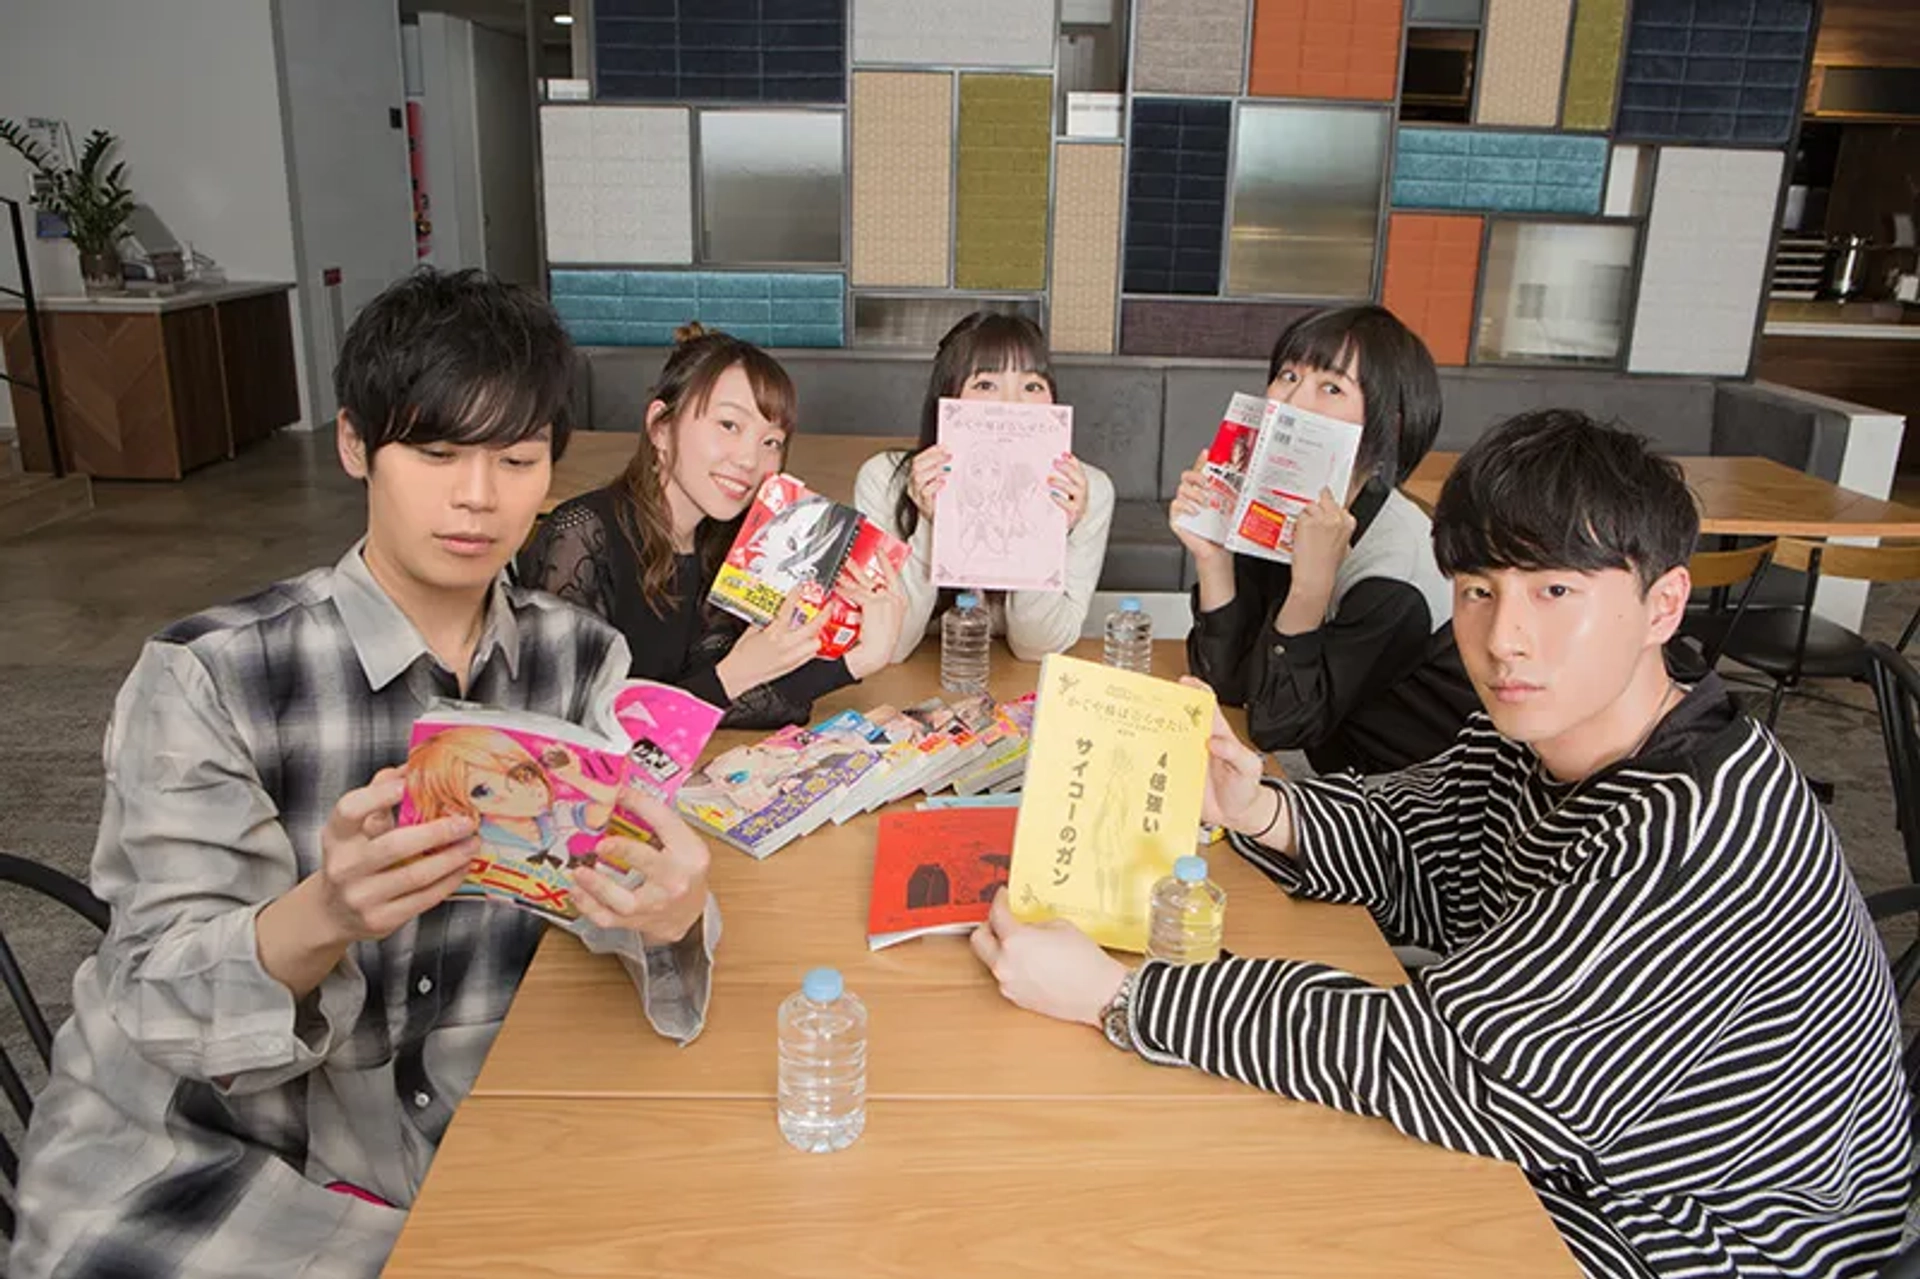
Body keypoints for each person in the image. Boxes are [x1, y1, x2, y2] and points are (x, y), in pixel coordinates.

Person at [972, 411, 1913, 1278]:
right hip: (1578, 1149)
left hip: (1713, 1232)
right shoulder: (1536, 738)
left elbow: (1470, 1070)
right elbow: (1416, 842)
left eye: (1556, 590)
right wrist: (1261, 807)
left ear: (1663, 605)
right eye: (1478, 589)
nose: (1505, 637)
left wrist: (1125, 993)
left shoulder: (1696, 829)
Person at [9, 269, 720, 1278]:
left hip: (469, 1130)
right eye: (435, 453)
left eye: (516, 459)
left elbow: (621, 906)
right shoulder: (216, 675)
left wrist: (671, 911)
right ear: (354, 445)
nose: (477, 497)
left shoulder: (580, 661)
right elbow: (154, 998)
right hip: (216, 1147)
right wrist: (325, 913)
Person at [518, 325, 906, 728]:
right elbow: (568, 729)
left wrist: (861, 658)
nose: (749, 460)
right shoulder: (581, 535)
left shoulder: (725, 543)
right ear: (661, 426)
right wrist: (735, 674)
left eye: (770, 441)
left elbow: (731, 701)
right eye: (729, 426)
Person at [1173, 304, 1476, 776]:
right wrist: (1213, 557)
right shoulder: (1278, 507)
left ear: (1387, 425)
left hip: (1399, 800)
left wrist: (1310, 587)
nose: (1291, 405)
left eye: (1331, 387)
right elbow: (1228, 686)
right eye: (1288, 376)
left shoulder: (1399, 570)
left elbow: (1279, 725)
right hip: (1324, 770)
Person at [852, 312, 1115, 664]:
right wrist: (932, 523)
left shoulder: (1087, 490)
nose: (1012, 404)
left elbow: (1036, 648)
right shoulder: (883, 479)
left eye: (1032, 386)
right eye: (986, 384)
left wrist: (1044, 529)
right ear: (947, 400)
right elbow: (891, 647)